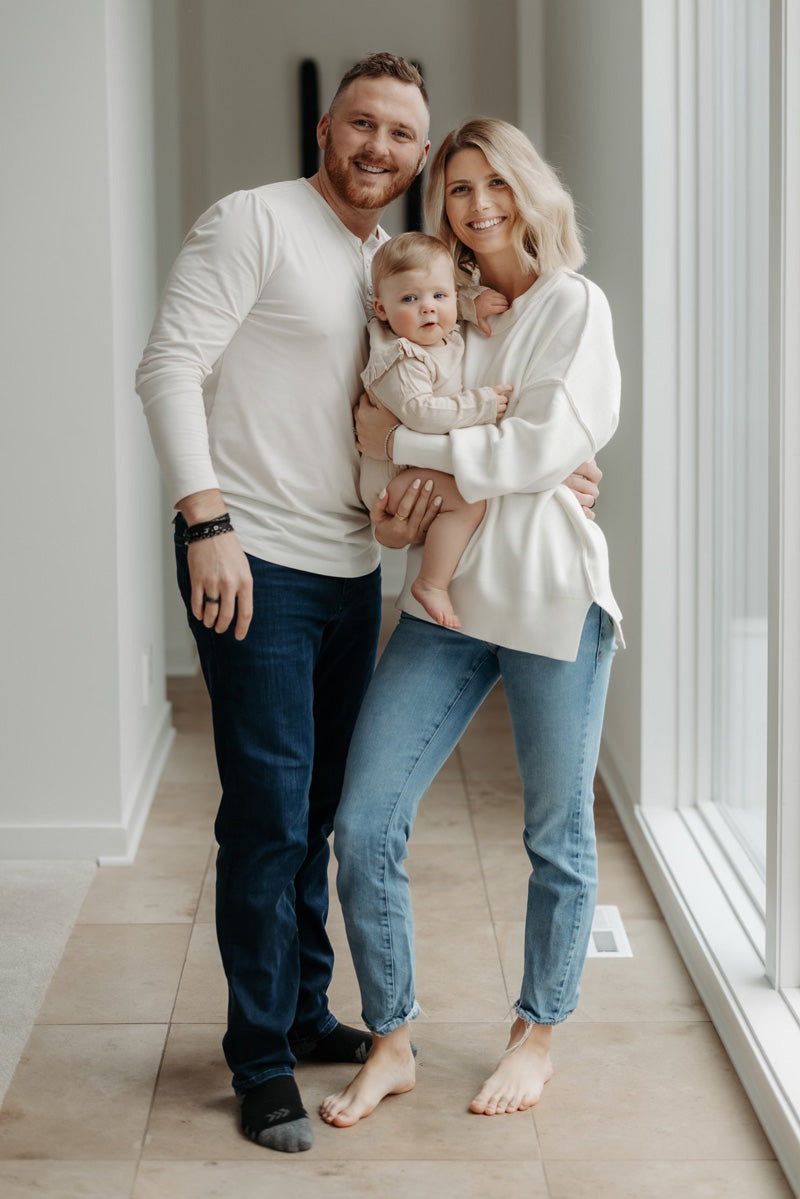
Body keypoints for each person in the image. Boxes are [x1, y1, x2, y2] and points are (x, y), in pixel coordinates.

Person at [136, 55, 601, 1154]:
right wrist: (205, 521)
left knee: (315, 815)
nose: (381, 149)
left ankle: (303, 1009)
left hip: (351, 571)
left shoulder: (383, 263)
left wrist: (547, 464)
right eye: (364, 125)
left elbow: (443, 404)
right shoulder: (249, 220)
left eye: (403, 137)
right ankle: (258, 1056)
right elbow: (168, 367)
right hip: (252, 557)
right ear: (322, 128)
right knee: (269, 813)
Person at [321, 117, 623, 1130]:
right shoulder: (442, 309)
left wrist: (410, 437)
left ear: (529, 190)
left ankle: (535, 1030)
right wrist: (402, 479)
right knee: (363, 820)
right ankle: (391, 1037)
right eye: (456, 188)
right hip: (444, 603)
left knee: (556, 832)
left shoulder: (575, 307)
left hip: (548, 602)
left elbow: (540, 448)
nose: (478, 203)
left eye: (494, 182)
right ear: (437, 205)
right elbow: (404, 470)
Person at [360, 231, 513, 628]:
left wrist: (466, 301)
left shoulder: (433, 332)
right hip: (393, 481)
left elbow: (437, 294)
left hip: (413, 468)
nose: (428, 309)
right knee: (470, 502)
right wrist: (480, 405)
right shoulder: (401, 357)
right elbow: (420, 414)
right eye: (410, 300)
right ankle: (431, 583)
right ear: (381, 309)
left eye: (439, 297)